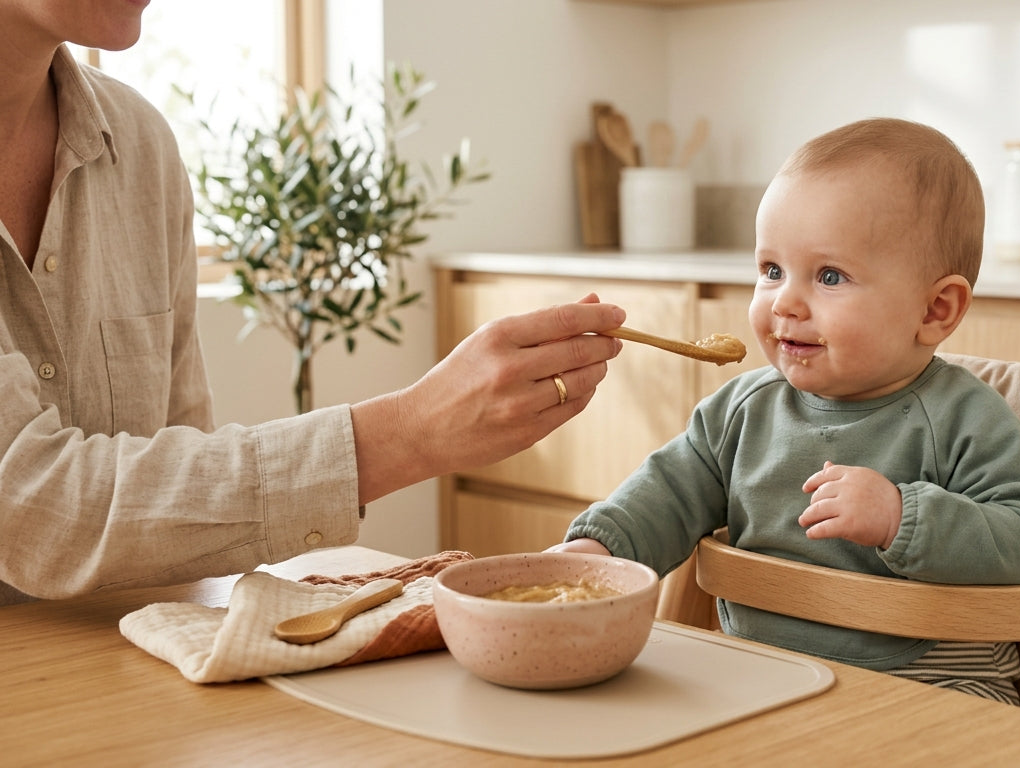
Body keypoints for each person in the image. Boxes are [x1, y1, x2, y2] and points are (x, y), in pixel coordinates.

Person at [0, 1, 624, 604]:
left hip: (130, 671)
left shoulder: (139, 147)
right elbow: (30, 507)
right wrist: (408, 432)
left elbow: (176, 479)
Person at [551, 118, 1020, 704]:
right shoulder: (742, 410)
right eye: (771, 270)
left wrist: (903, 516)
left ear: (935, 310)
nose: (785, 302)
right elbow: (664, 493)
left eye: (829, 276)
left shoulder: (965, 418)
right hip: (761, 674)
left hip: (930, 685)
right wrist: (597, 553)